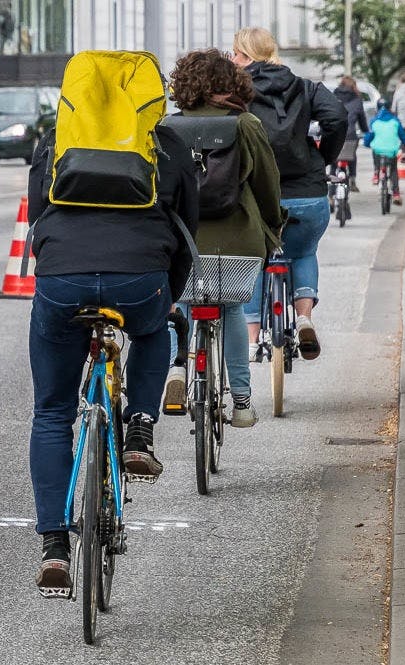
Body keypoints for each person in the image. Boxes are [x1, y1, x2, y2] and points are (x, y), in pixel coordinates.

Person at [26, 64, 199, 594]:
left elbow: (37, 219)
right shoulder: (165, 146)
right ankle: (141, 426)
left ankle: (55, 543)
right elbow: (185, 229)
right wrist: (165, 297)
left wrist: (59, 269)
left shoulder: (55, 141)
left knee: (52, 412)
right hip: (140, 282)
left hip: (61, 284)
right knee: (153, 332)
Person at [161, 49, 283, 428]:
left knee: (179, 303)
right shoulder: (246, 124)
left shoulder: (166, 127)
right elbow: (267, 184)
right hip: (238, 240)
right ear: (231, 84)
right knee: (230, 308)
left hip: (181, 238)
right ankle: (243, 403)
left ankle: (177, 369)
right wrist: (273, 228)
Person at [229, 27, 347, 362]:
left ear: (246, 56)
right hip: (307, 193)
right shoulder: (304, 86)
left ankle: (252, 338)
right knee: (304, 251)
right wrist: (323, 157)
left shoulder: (237, 93)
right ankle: (305, 318)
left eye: (235, 54)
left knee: (251, 261)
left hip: (255, 197)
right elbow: (337, 116)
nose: (232, 60)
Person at [364, 98, 405, 205]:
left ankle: (376, 173)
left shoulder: (374, 121)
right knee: (393, 170)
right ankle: (396, 194)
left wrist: (367, 144)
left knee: (375, 149)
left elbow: (369, 136)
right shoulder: (395, 121)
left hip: (378, 151)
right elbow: (403, 136)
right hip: (391, 150)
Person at [333, 76, 369, 192]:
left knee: (333, 159)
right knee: (351, 155)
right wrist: (366, 131)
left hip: (334, 133)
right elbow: (362, 119)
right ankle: (352, 179)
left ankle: (332, 192)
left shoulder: (333, 96)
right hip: (350, 134)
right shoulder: (357, 99)